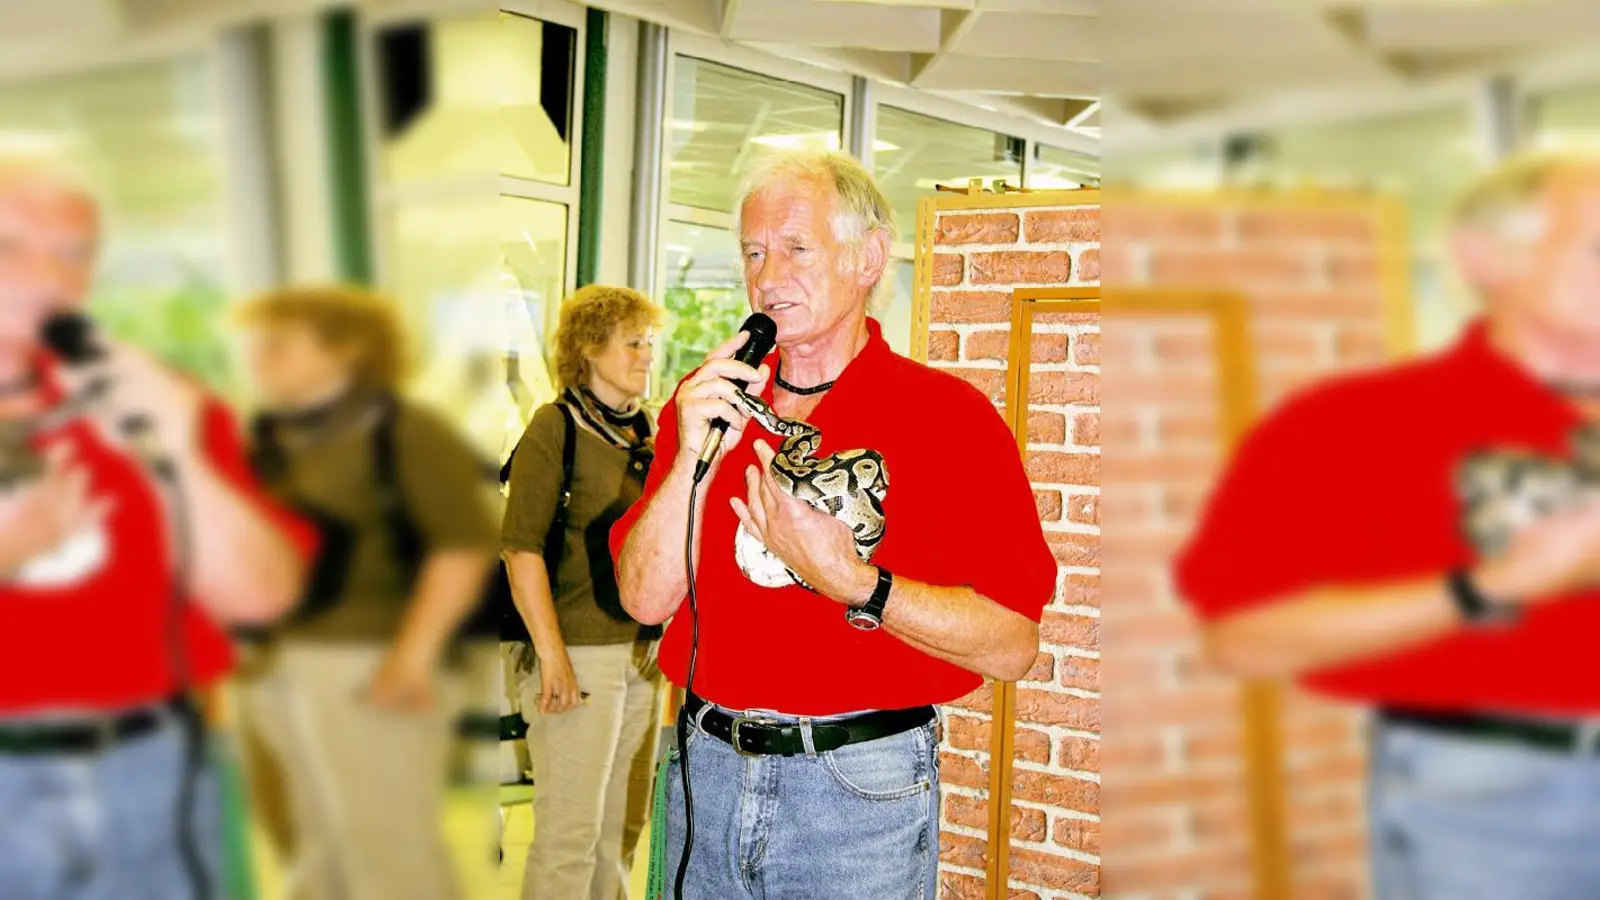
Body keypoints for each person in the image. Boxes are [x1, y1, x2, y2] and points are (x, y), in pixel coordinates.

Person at [610, 150, 1055, 898]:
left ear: (869, 257)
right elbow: (643, 600)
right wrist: (691, 454)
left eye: (795, 247)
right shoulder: (706, 400)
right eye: (753, 252)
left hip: (857, 790)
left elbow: (1013, 646)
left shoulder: (950, 420)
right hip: (706, 766)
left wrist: (856, 583)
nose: (767, 275)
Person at [1174, 152, 1600, 899]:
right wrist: (1493, 585)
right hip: (1501, 807)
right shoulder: (1353, 424)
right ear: (1487, 258)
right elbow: (1241, 638)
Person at [0, 158, 310, 897]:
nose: (47, 273)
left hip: (160, 766)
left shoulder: (153, 400)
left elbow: (263, 598)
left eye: (73, 252)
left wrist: (181, 454)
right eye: (11, 245)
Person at [228, 285, 500, 900]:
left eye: (279, 344)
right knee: (312, 848)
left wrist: (410, 657)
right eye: (257, 344)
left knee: (389, 854)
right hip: (275, 666)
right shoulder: (270, 435)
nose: (259, 358)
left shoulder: (404, 430)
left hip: (370, 663)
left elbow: (462, 549)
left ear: (345, 350)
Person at [501, 284, 665, 900]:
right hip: (577, 655)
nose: (647, 354)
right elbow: (520, 551)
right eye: (633, 343)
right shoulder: (556, 428)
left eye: (650, 341)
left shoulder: (644, 435)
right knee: (569, 838)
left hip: (642, 657)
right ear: (590, 349)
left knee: (619, 834)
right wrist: (553, 660)